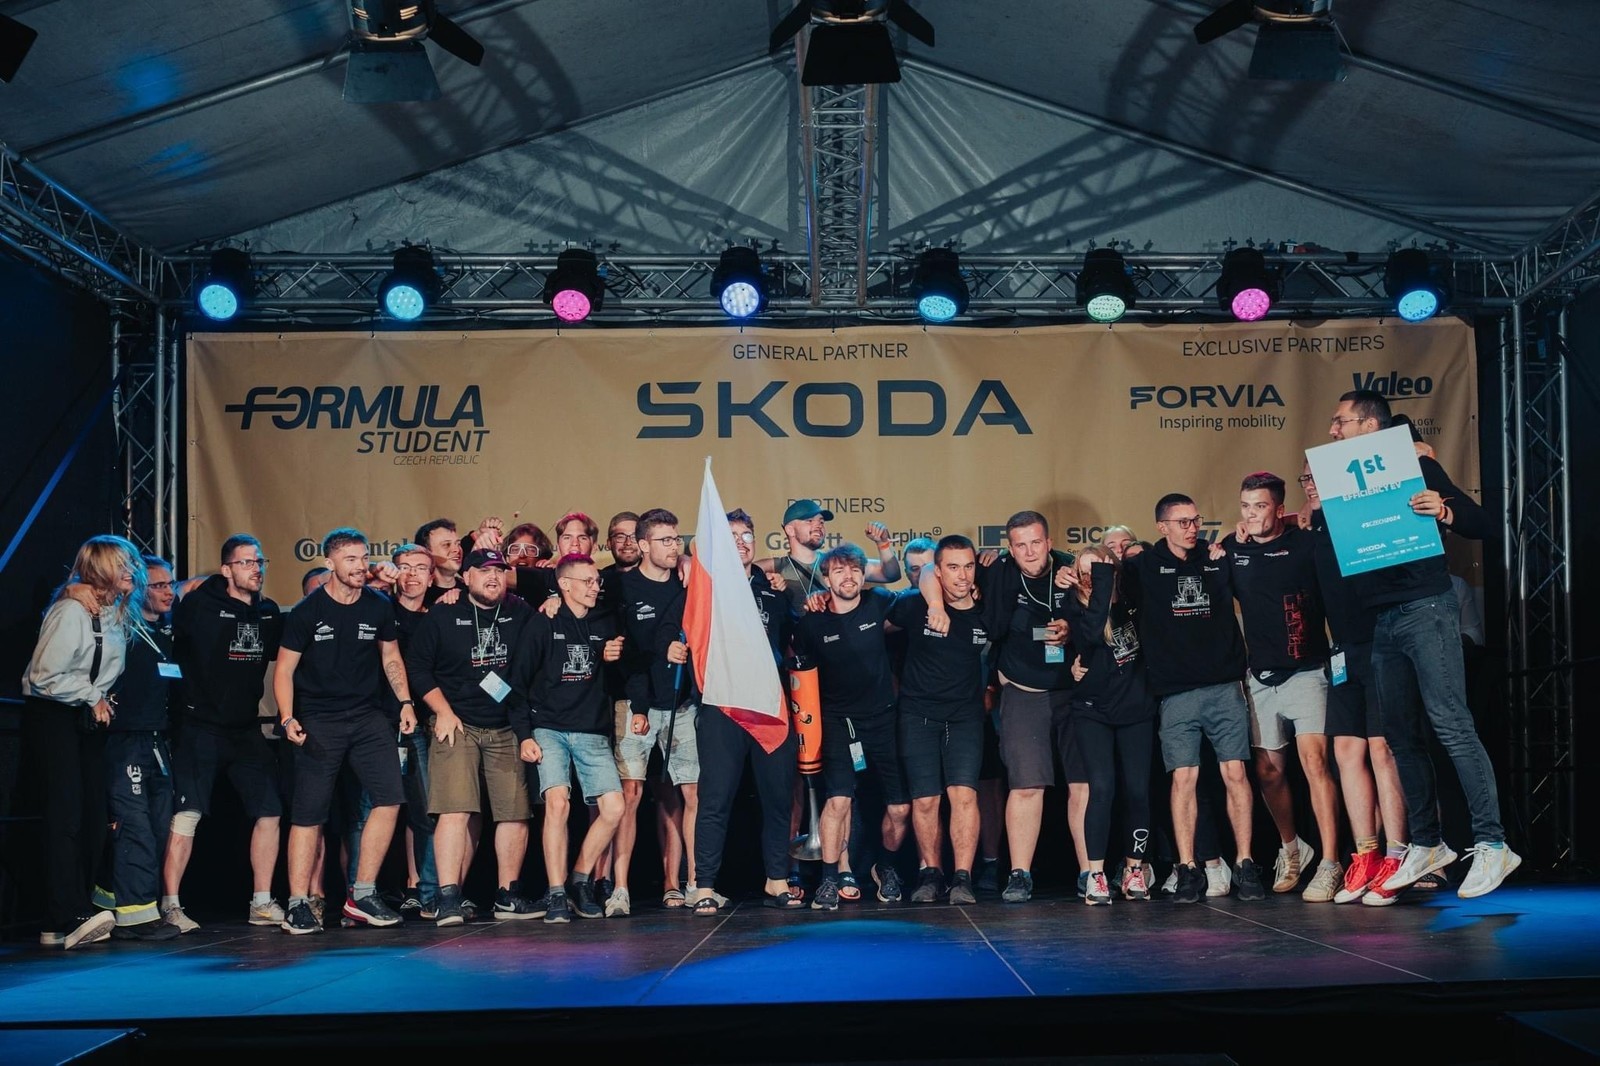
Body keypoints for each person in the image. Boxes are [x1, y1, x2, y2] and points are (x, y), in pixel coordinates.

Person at [1328, 390, 1519, 898]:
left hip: (1426, 608)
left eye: (1341, 421)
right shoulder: (1345, 482)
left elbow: (1483, 523)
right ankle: (1428, 843)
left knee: (1451, 723)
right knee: (1399, 736)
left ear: (1370, 426)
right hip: (1382, 619)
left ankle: (1493, 843)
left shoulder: (1417, 466)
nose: (1333, 430)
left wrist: (1445, 510)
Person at [926, 510, 1081, 904]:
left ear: (1049, 542)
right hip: (1024, 691)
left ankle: (1090, 872)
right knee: (1026, 786)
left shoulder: (1072, 568)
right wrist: (937, 607)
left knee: (1084, 785)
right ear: (1009, 548)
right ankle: (1019, 873)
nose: (1029, 551)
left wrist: (1073, 627)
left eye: (1036, 542)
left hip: (1076, 692)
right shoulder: (997, 571)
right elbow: (930, 572)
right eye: (1020, 545)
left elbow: (1108, 598)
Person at [274, 528, 417, 934]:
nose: (359, 566)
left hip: (368, 716)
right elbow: (284, 670)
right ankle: (298, 903)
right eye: (350, 559)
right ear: (330, 563)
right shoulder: (307, 611)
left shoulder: (377, 604)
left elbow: (391, 657)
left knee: (390, 798)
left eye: (363, 557)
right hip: (319, 719)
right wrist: (287, 718)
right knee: (309, 813)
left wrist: (405, 702)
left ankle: (362, 894)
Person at [1124, 494, 1264, 903]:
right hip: (1176, 693)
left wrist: (1239, 539)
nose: (1191, 528)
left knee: (1235, 773)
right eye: (1182, 522)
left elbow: (1264, 539)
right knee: (1183, 778)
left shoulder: (1218, 554)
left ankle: (1245, 862)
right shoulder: (1143, 566)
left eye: (1195, 520)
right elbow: (1099, 575)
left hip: (1224, 687)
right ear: (1162, 527)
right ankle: (1187, 868)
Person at [1295, 463, 1412, 905]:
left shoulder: (1367, 521)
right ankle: (1366, 855)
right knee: (1345, 751)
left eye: (1318, 478)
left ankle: (1398, 858)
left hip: (1383, 643)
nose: (1311, 486)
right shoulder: (1313, 532)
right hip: (1343, 651)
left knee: (1383, 750)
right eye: (1306, 479)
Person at [1224, 473, 1343, 902]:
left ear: (1278, 507)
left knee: (1315, 763)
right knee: (1267, 772)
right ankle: (1292, 848)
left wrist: (1301, 517)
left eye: (1260, 506)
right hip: (1260, 677)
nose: (1251, 515)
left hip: (1307, 672)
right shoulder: (1233, 548)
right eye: (1246, 506)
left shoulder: (1305, 543)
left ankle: (1330, 863)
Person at [23, 535, 144, 949]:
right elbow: (43, 675)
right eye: (121, 564)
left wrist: (99, 699)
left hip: (87, 719)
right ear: (99, 569)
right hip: (54, 715)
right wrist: (92, 695)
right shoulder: (71, 610)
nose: (131, 571)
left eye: (131, 563)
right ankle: (65, 913)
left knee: (94, 818)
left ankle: (68, 914)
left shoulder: (114, 612)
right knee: (67, 817)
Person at [408, 549, 541, 924]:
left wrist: (551, 604)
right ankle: (448, 897)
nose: (493, 577)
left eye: (498, 571)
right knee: (454, 810)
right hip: (457, 722)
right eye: (483, 571)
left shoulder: (520, 611)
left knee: (514, 812)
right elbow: (417, 668)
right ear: (465, 577)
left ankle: (508, 896)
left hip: (506, 723)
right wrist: (443, 711)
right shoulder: (443, 614)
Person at [164, 534, 285, 932]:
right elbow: (165, 601)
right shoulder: (200, 604)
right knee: (188, 814)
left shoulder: (268, 612)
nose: (256, 569)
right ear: (226, 569)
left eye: (259, 561)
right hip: (200, 726)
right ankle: (170, 905)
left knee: (270, 811)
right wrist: (190, 585)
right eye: (246, 562)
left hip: (244, 728)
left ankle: (261, 902)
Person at [686, 508, 801, 912]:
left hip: (768, 706)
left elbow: (790, 643)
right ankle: (704, 886)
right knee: (715, 799)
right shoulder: (706, 589)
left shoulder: (774, 591)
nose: (741, 543)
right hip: (723, 705)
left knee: (778, 798)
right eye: (731, 536)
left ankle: (777, 879)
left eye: (747, 535)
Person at [792, 544, 911, 910]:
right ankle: (829, 879)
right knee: (839, 800)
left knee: (900, 809)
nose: (849, 576)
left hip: (884, 720)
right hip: (838, 722)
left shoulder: (879, 603)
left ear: (863, 575)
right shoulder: (811, 622)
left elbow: (919, 590)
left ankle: (885, 867)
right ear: (826, 579)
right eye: (839, 571)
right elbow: (798, 675)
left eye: (855, 570)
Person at [514, 553, 627, 922]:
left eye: (597, 581)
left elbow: (618, 672)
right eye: (587, 581)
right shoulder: (543, 621)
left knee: (614, 808)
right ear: (564, 585)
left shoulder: (604, 620)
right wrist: (524, 735)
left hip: (592, 729)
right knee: (558, 803)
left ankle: (579, 878)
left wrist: (612, 658)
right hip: (549, 727)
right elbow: (517, 683)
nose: (595, 587)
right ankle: (557, 893)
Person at [889, 535, 989, 906]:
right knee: (926, 800)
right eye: (953, 567)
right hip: (918, 714)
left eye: (968, 566)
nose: (962, 575)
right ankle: (930, 873)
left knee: (964, 796)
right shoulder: (914, 605)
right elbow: (871, 625)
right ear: (939, 571)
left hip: (965, 716)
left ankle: (962, 877)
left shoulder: (986, 605)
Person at [1054, 546, 1157, 903]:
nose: (1090, 576)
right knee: (1102, 788)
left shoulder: (1132, 598)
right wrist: (1100, 580)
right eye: (1084, 570)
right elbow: (1094, 632)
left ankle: (1134, 869)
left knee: (1138, 790)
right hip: (1092, 711)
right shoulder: (1074, 606)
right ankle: (1096, 874)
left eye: (1098, 569)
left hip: (1136, 709)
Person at [613, 508, 701, 912]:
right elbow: (620, 648)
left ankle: (689, 882)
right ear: (643, 545)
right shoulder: (621, 586)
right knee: (630, 795)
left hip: (680, 705)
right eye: (665, 540)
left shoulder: (687, 585)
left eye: (676, 539)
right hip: (636, 705)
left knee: (686, 793)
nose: (674, 546)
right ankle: (620, 888)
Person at [100, 556, 183, 940]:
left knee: (159, 826)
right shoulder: (121, 627)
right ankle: (136, 918)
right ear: (137, 590)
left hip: (156, 739)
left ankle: (106, 899)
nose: (169, 592)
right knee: (135, 826)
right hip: (125, 739)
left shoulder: (167, 629)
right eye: (159, 585)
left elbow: (198, 586)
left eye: (171, 584)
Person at [388, 543, 441, 919]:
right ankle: (360, 894)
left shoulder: (438, 617)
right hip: (378, 723)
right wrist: (376, 575)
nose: (412, 574)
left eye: (421, 568)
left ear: (431, 577)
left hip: (422, 724)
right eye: (404, 567)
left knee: (425, 811)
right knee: (365, 813)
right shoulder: (378, 608)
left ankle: (429, 892)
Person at [765, 500, 901, 616]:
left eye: (821, 522)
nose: (818, 526)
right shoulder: (772, 567)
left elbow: (890, 574)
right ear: (790, 530)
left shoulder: (836, 563)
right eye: (809, 521)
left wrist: (883, 544)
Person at [415, 518, 464, 605]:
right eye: (446, 545)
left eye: (458, 544)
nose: (457, 549)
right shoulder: (418, 596)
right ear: (427, 553)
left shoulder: (470, 590)